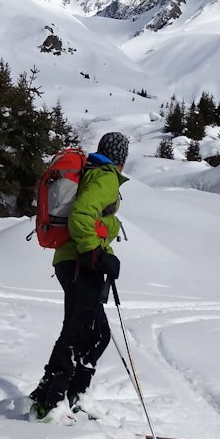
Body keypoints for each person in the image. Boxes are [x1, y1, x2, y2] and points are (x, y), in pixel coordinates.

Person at [29, 131, 130, 420]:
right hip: (80, 262)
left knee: (93, 332)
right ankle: (49, 402)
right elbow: (82, 215)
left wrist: (105, 232)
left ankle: (69, 398)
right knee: (84, 332)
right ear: (121, 159)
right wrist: (94, 252)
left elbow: (88, 215)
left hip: (70, 260)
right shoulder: (106, 176)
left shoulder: (91, 172)